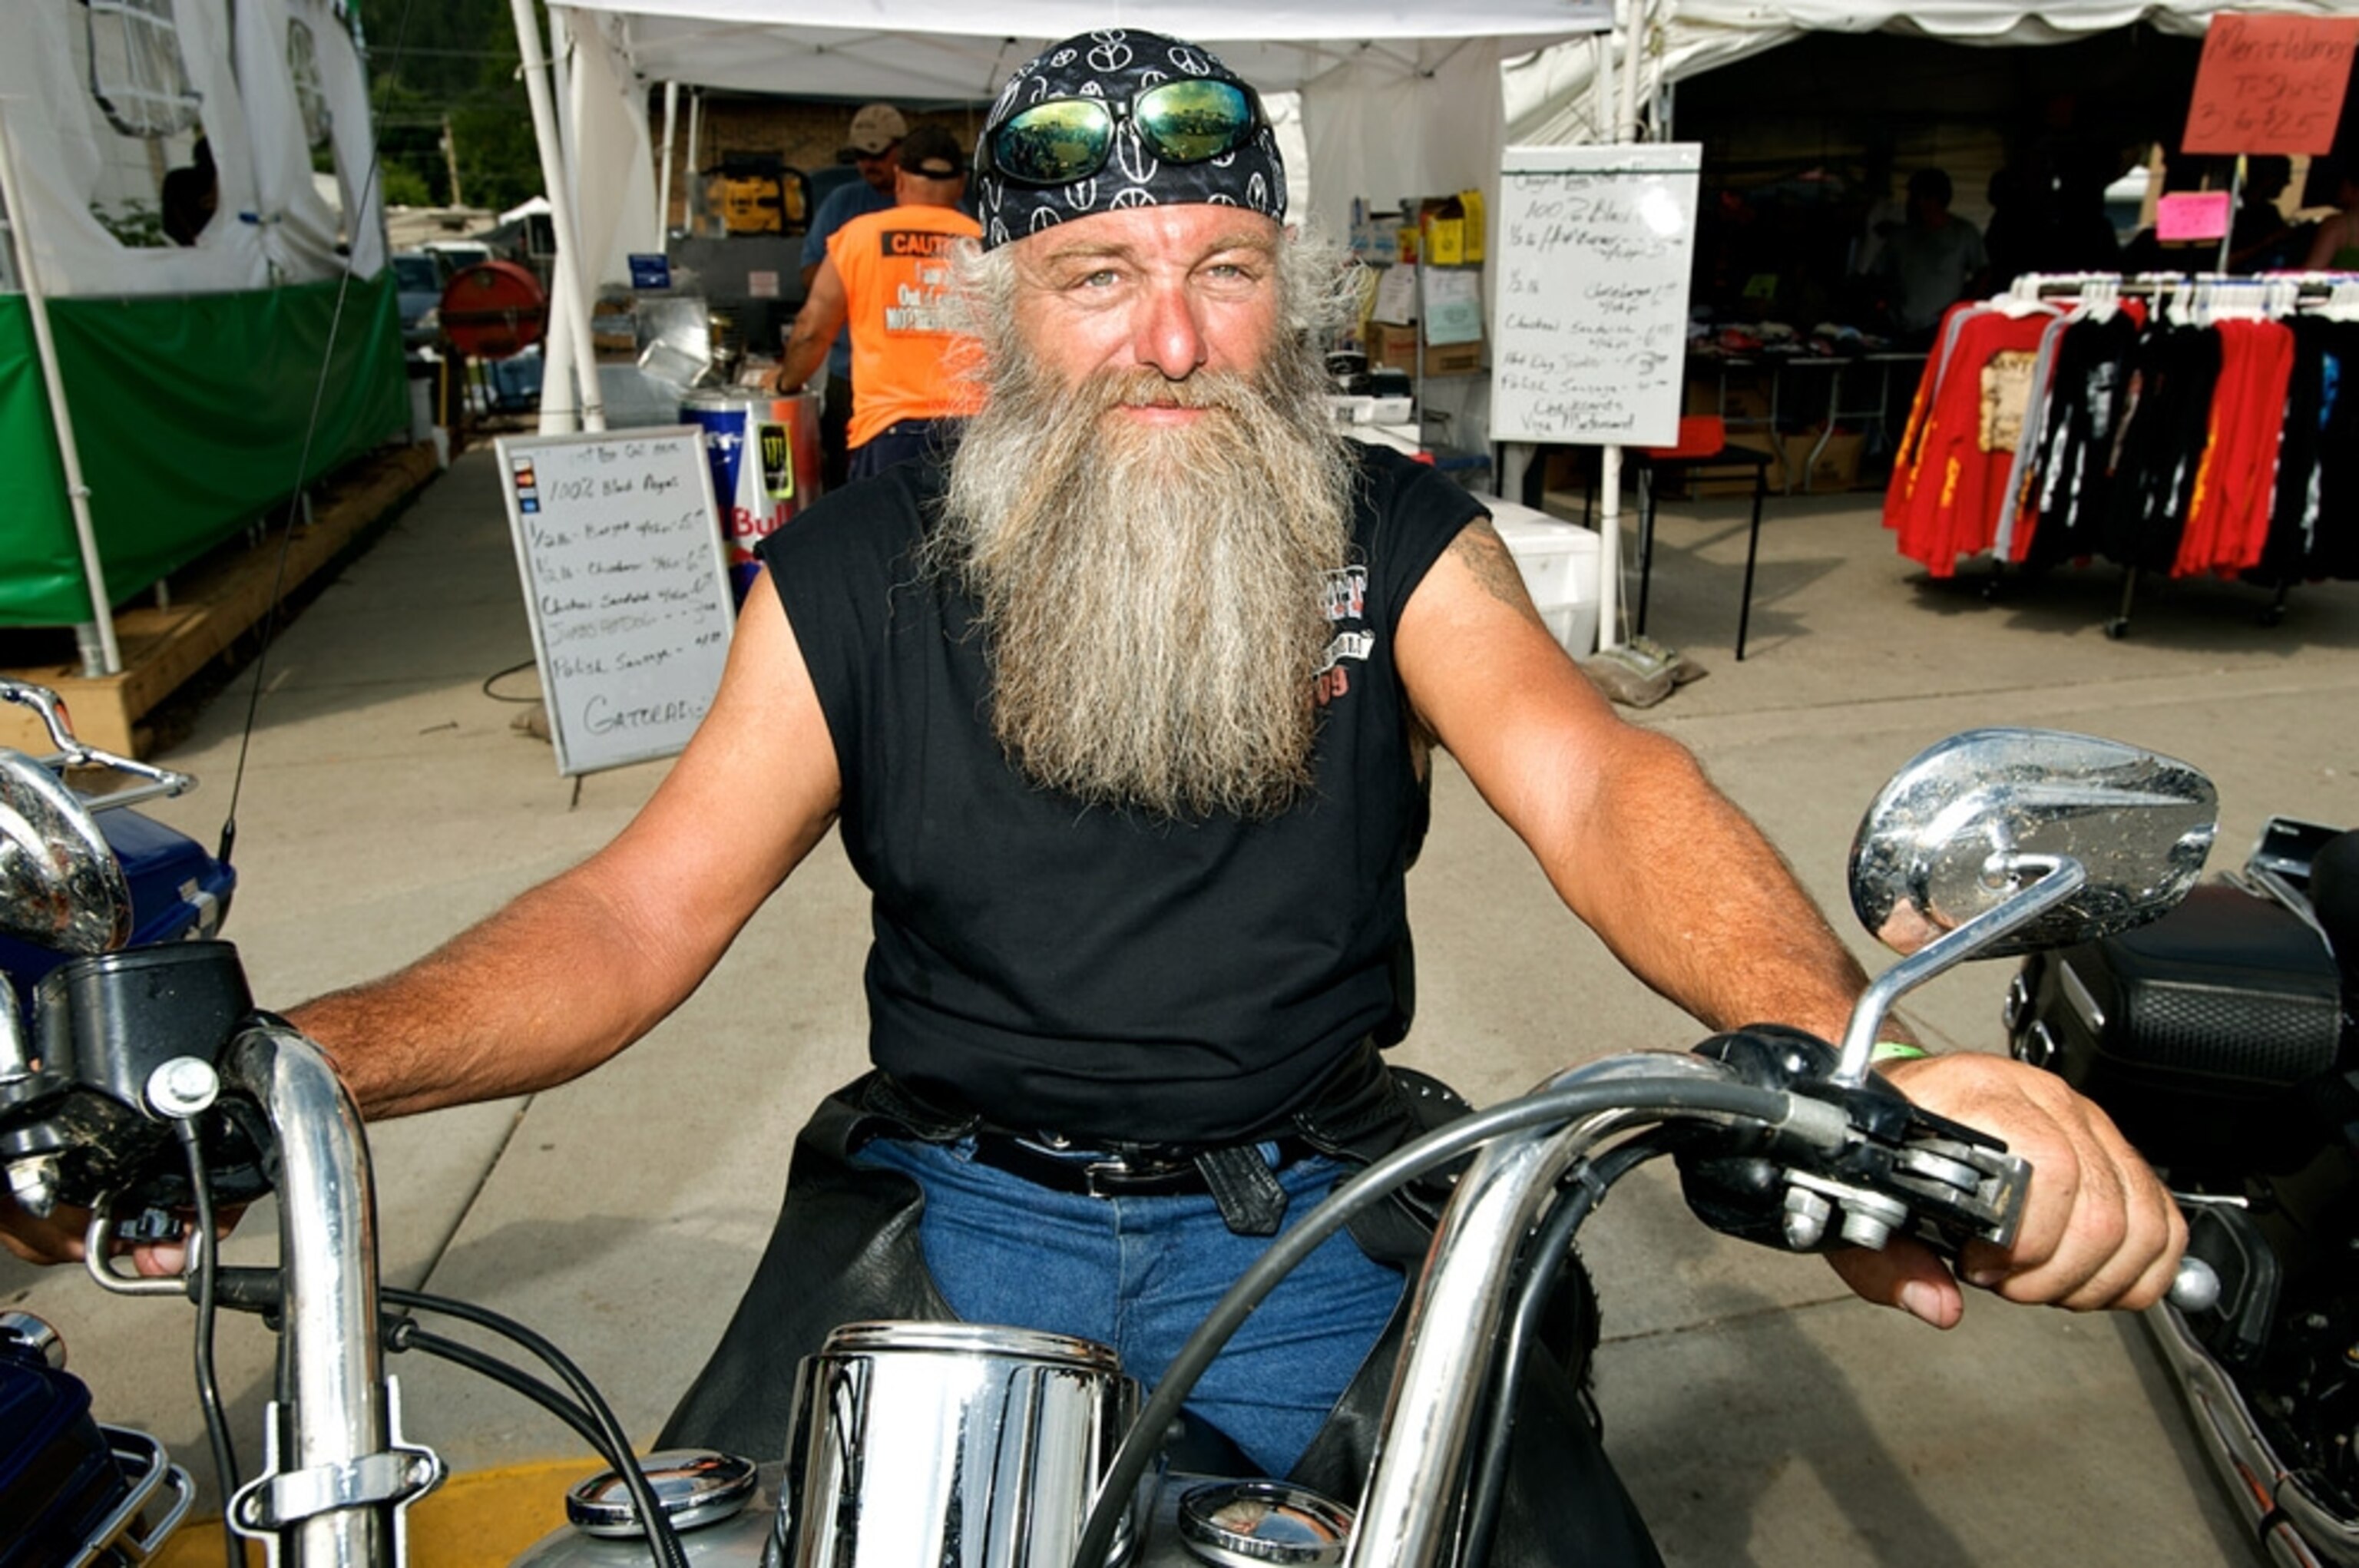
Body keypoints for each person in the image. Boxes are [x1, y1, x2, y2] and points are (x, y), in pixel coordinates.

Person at [2, 28, 2185, 1561]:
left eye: (1220, 268)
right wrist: (275, 1071)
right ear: (1001, 306)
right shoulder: (858, 554)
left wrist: (1826, 1048)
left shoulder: (1388, 529)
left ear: (1284, 293)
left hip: (1309, 1207)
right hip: (963, 1222)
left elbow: (1599, 772)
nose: (1166, 336)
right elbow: (635, 910)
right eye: (1098, 274)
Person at [769, 124, 983, 480]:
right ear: (960, 184)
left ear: (899, 179)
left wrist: (784, 384)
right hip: (977, 431)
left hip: (889, 430)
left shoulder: (860, 237)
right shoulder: (990, 245)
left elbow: (811, 331)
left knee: (884, 519)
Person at [799, 103, 906, 491]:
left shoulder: (931, 202)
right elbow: (810, 272)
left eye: (877, 154)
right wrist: (852, 281)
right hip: (851, 372)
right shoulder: (842, 203)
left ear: (900, 149)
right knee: (845, 484)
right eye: (861, 155)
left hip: (921, 385)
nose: (868, 164)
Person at [1874, 167, 1990, 343]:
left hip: (1942, 326)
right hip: (1900, 326)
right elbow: (1879, 276)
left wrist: (1958, 310)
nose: (1911, 203)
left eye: (1916, 196)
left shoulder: (1963, 233)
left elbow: (1983, 274)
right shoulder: (1900, 237)